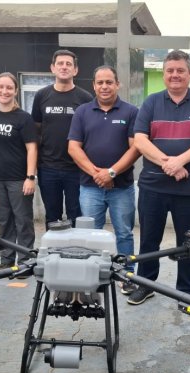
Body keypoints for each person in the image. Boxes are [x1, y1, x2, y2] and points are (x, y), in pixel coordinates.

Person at [127, 50, 190, 305]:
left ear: (189, 74)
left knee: (188, 244)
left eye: (180, 70)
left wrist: (180, 161)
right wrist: (169, 164)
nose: (175, 75)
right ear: (164, 75)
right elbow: (141, 140)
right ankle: (145, 285)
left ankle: (186, 292)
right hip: (153, 187)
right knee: (148, 240)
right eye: (170, 70)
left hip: (189, 188)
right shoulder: (151, 102)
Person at [68, 65, 140, 295]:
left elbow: (136, 148)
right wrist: (97, 174)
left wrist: (112, 173)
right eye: (100, 82)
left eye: (109, 82)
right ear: (94, 86)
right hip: (90, 187)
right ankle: (94, 275)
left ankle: (126, 274)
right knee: (91, 234)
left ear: (117, 84)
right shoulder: (82, 112)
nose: (104, 86)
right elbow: (73, 147)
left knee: (124, 233)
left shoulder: (130, 112)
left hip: (122, 187)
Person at [31, 49, 93, 229]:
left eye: (68, 64)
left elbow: (89, 134)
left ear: (75, 70)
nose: (64, 67)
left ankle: (76, 254)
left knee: (76, 215)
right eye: (60, 63)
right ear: (52, 68)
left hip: (76, 169)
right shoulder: (41, 96)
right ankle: (53, 254)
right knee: (52, 216)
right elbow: (36, 130)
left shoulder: (85, 98)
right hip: (48, 168)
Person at [0, 72, 38, 269]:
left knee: (23, 221)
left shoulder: (23, 118)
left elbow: (32, 148)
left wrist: (30, 177)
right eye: (0, 87)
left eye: (9, 88)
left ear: (16, 91)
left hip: (18, 179)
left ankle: (26, 262)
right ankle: (6, 261)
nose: (4, 91)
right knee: (4, 221)